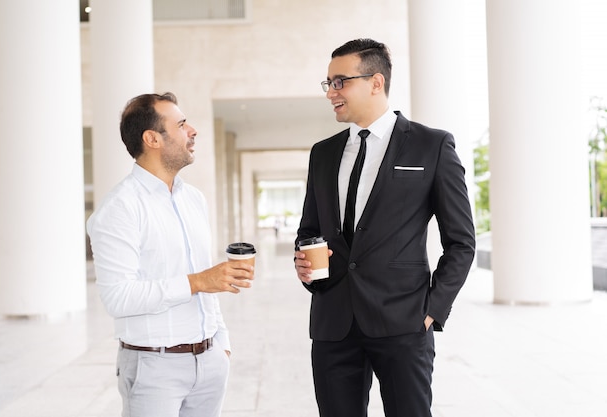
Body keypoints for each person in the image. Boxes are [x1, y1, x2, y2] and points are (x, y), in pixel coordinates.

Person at [294, 39, 475, 417]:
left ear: (376, 82)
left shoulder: (432, 146)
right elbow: (309, 228)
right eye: (328, 83)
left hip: (403, 322)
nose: (331, 92)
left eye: (340, 81)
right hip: (332, 323)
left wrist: (432, 311)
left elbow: (460, 242)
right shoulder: (322, 153)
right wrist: (305, 263)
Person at [86, 92, 254, 417]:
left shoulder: (193, 199)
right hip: (154, 369)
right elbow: (118, 297)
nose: (192, 130)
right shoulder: (119, 208)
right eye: (180, 124)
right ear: (152, 139)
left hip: (209, 362)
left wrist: (222, 343)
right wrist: (196, 282)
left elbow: (205, 280)